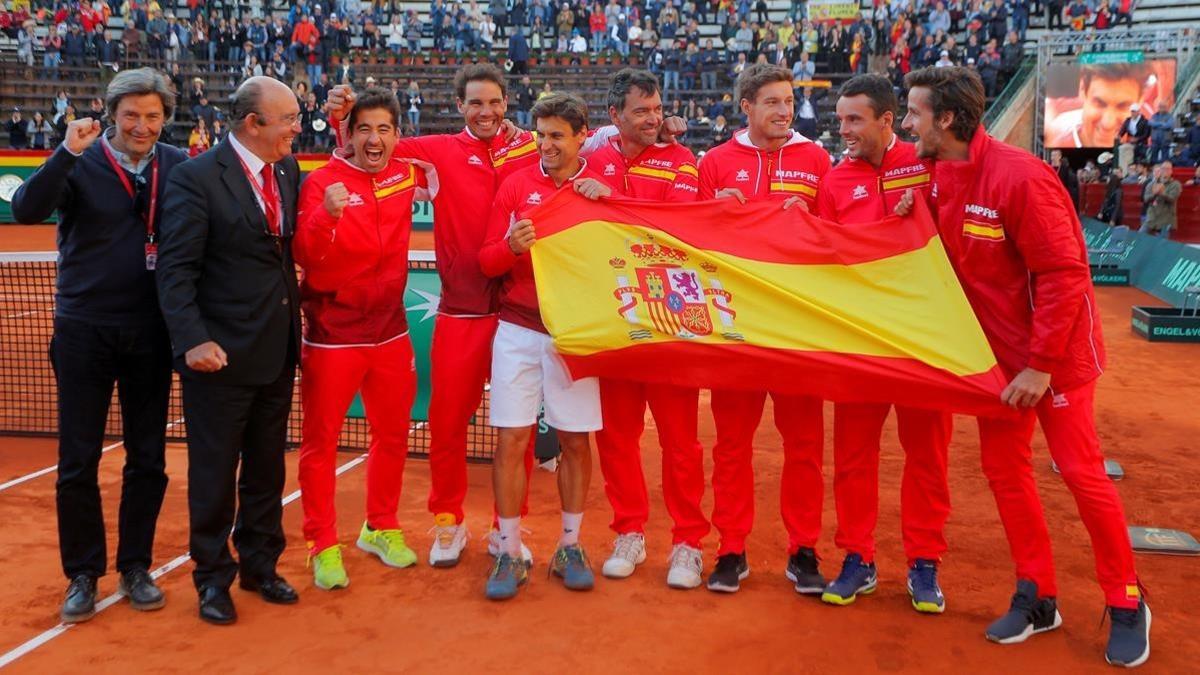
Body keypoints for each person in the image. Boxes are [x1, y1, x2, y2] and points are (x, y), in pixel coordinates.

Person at [901, 66, 1150, 668]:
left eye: (914, 113)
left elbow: (1064, 276)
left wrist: (1040, 367)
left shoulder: (1020, 178)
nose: (906, 125)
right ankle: (1038, 594)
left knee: (1081, 474)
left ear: (948, 120)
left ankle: (1126, 600)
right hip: (998, 362)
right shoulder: (933, 178)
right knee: (1006, 475)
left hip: (1053, 361)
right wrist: (911, 212)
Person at [324, 64, 544, 569]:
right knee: (447, 425)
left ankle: (505, 527)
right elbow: (369, 146)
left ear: (507, 102)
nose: (485, 112)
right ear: (459, 106)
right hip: (463, 312)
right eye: (474, 103)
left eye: (493, 102)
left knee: (517, 432)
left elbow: (582, 146)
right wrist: (343, 115)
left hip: (519, 314)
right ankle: (448, 521)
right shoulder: (438, 151)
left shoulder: (531, 147)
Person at [10, 68, 185, 625]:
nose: (142, 125)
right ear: (112, 114)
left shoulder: (178, 166)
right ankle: (82, 574)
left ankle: (135, 566)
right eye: (131, 114)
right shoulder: (81, 160)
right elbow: (26, 211)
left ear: (165, 118)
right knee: (77, 460)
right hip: (84, 329)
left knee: (148, 459)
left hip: (152, 331)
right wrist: (64, 151)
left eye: (152, 115)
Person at [155, 76, 304, 626]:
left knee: (266, 469)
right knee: (215, 473)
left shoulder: (286, 169)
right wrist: (193, 339)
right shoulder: (196, 178)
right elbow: (175, 270)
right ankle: (211, 576)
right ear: (252, 124)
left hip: (276, 348)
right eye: (288, 118)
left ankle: (261, 566)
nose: (296, 127)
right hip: (218, 356)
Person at [812, 74, 952, 612]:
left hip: (922, 339)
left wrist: (921, 218)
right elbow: (825, 255)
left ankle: (924, 563)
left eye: (854, 120)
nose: (843, 130)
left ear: (888, 120)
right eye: (841, 119)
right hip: (860, 339)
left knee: (927, 457)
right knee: (853, 457)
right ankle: (858, 558)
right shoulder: (834, 180)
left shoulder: (928, 166)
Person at [696, 64, 832, 594]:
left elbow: (838, 235)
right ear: (745, 105)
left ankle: (804, 550)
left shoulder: (815, 159)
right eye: (772, 101)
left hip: (797, 327)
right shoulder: (716, 162)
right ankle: (731, 549)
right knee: (732, 445)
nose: (784, 111)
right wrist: (713, 212)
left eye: (789, 100)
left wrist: (814, 216)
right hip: (737, 326)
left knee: (804, 446)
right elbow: (691, 240)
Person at [294, 88, 432, 590]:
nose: (375, 138)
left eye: (385, 129)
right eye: (364, 129)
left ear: (399, 134)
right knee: (321, 444)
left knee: (393, 435)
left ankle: (380, 526)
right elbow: (307, 253)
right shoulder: (323, 184)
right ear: (349, 135)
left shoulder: (405, 172)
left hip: (391, 331)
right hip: (333, 334)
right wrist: (326, 214)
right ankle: (323, 543)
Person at [478, 93, 611, 600]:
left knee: (576, 441)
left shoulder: (599, 189)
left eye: (557, 135)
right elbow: (487, 261)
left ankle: (571, 545)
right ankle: (509, 550)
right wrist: (510, 245)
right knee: (511, 440)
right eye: (540, 134)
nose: (546, 144)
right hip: (516, 329)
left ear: (582, 136)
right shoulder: (515, 184)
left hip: (574, 332)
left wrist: (609, 204)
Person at [586, 69, 707, 589]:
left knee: (681, 440)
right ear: (615, 117)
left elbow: (673, 229)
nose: (654, 119)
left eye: (657, 109)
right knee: (617, 436)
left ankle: (687, 543)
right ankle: (629, 531)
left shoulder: (682, 160)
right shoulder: (591, 157)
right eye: (641, 111)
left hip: (671, 319)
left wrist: (607, 202)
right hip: (612, 321)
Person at [1048, 64, 1148, 149]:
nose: (1108, 124)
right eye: (1099, 103)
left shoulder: (1151, 137)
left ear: (1140, 101)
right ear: (1082, 90)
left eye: (1123, 107)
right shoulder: (1056, 143)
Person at [1141, 161, 1182, 238]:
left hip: (1166, 219)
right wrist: (1154, 194)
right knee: (1140, 237)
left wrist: (1161, 193)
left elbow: (1172, 199)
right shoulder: (1151, 184)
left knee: (1163, 244)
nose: (1165, 170)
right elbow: (1145, 199)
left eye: (1168, 169)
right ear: (1161, 170)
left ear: (1171, 171)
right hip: (1151, 218)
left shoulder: (1175, 184)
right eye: (1163, 168)